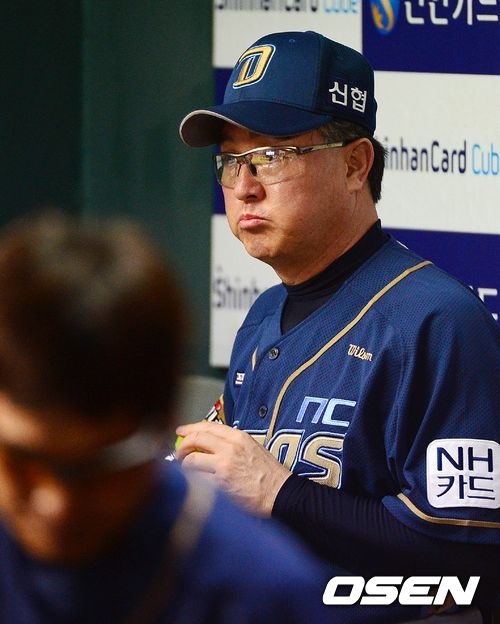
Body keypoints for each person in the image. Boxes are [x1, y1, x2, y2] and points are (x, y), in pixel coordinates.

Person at [177, 30, 500, 623]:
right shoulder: (263, 316)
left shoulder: (437, 322)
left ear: (355, 165)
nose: (244, 187)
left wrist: (280, 494)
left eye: (272, 155)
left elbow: (473, 562)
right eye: (231, 161)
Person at [0, 211, 334, 624]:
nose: (57, 505)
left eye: (99, 468)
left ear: (164, 424)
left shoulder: (264, 594)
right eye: (22, 463)